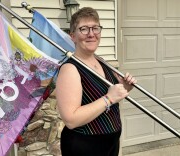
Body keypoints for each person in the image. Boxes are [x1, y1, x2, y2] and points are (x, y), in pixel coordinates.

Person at [56, 7, 136, 156]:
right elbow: (71, 119)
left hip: (109, 144)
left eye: (95, 28)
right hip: (85, 146)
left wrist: (124, 87)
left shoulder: (101, 61)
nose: (91, 34)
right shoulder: (70, 68)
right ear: (73, 36)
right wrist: (109, 98)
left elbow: (109, 97)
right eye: (84, 29)